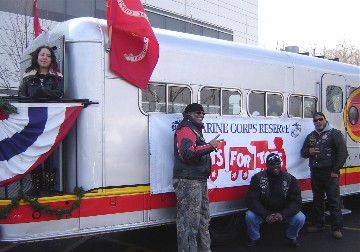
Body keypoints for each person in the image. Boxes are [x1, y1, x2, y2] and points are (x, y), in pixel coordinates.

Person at [173, 103, 220, 252]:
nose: (201, 115)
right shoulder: (186, 128)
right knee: (189, 223)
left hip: (198, 180)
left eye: (203, 113)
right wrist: (210, 146)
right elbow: (187, 153)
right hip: (188, 181)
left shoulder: (194, 129)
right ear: (188, 114)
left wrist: (208, 146)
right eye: (197, 113)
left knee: (203, 220)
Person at [18, 45, 64, 195]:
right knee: (35, 153)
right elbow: (22, 96)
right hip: (32, 121)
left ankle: (50, 188)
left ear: (51, 59)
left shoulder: (57, 76)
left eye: (48, 55)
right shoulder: (28, 75)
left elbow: (59, 94)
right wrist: (41, 95)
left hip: (51, 121)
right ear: (37, 57)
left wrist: (41, 92)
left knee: (50, 154)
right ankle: (37, 187)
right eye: (42, 55)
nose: (44, 57)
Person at [301, 112, 347, 239]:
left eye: (320, 119)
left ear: (325, 120)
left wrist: (335, 170)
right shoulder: (311, 136)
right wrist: (308, 151)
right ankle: (318, 224)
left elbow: (343, 153)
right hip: (316, 173)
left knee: (333, 201)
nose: (318, 122)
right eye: (315, 120)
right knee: (318, 200)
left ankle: (336, 228)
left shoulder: (335, 134)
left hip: (330, 173)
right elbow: (303, 152)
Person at [245, 153, 305, 248]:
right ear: (267, 165)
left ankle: (291, 236)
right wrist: (265, 214)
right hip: (264, 212)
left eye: (277, 163)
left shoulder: (290, 179)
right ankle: (254, 238)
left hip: (283, 212)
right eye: (272, 164)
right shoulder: (258, 178)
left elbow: (296, 201)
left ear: (280, 164)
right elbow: (252, 200)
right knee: (250, 216)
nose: (275, 166)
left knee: (300, 217)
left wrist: (283, 214)